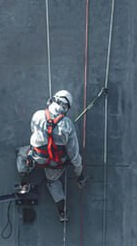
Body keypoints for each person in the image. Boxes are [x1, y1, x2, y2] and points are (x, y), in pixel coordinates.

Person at [16, 89, 87, 222]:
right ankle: (62, 212)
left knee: (21, 153)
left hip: (38, 158)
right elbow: (74, 154)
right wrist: (79, 174)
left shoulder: (38, 115)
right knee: (53, 182)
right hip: (56, 164)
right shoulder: (68, 125)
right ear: (66, 107)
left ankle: (24, 183)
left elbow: (33, 131)